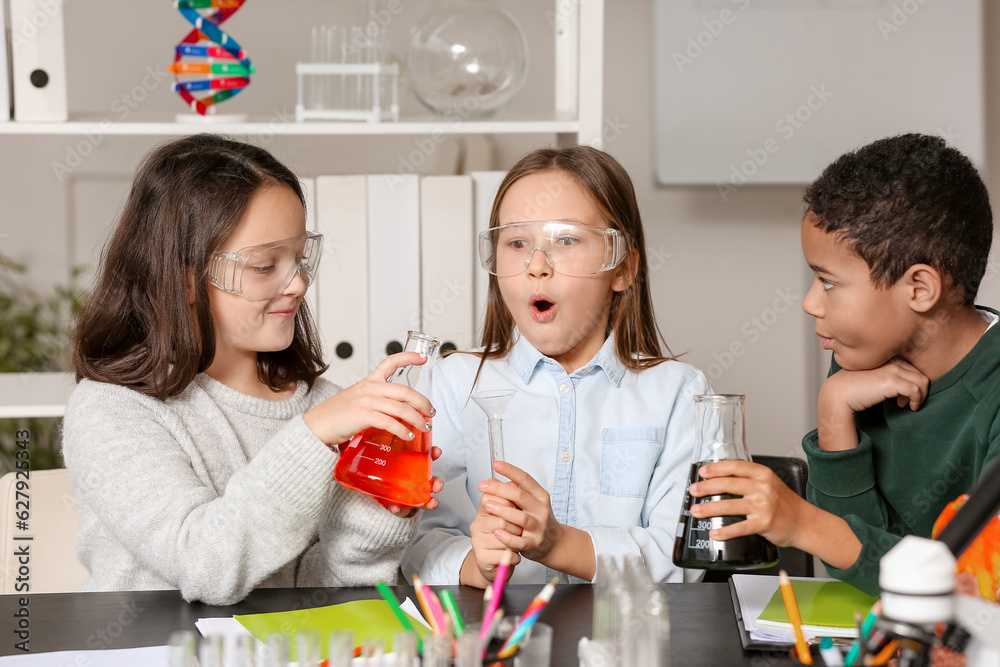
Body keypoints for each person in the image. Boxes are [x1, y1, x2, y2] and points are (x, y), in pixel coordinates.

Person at [63, 134, 442, 605]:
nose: (298, 283)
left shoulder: (325, 406)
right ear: (184, 280)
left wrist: (378, 513)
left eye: (300, 259)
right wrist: (313, 438)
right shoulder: (112, 410)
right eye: (266, 265)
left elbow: (319, 594)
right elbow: (205, 565)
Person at [688, 133, 1000, 595]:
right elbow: (853, 571)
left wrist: (801, 523)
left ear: (919, 289)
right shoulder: (860, 365)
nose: (810, 303)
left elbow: (969, 589)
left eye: (828, 282)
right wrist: (834, 409)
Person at [402, 146, 712, 587]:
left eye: (566, 240)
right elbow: (418, 540)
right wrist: (475, 563)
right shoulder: (451, 384)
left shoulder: (680, 395)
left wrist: (557, 544)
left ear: (622, 268)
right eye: (517, 243)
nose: (537, 266)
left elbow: (683, 557)